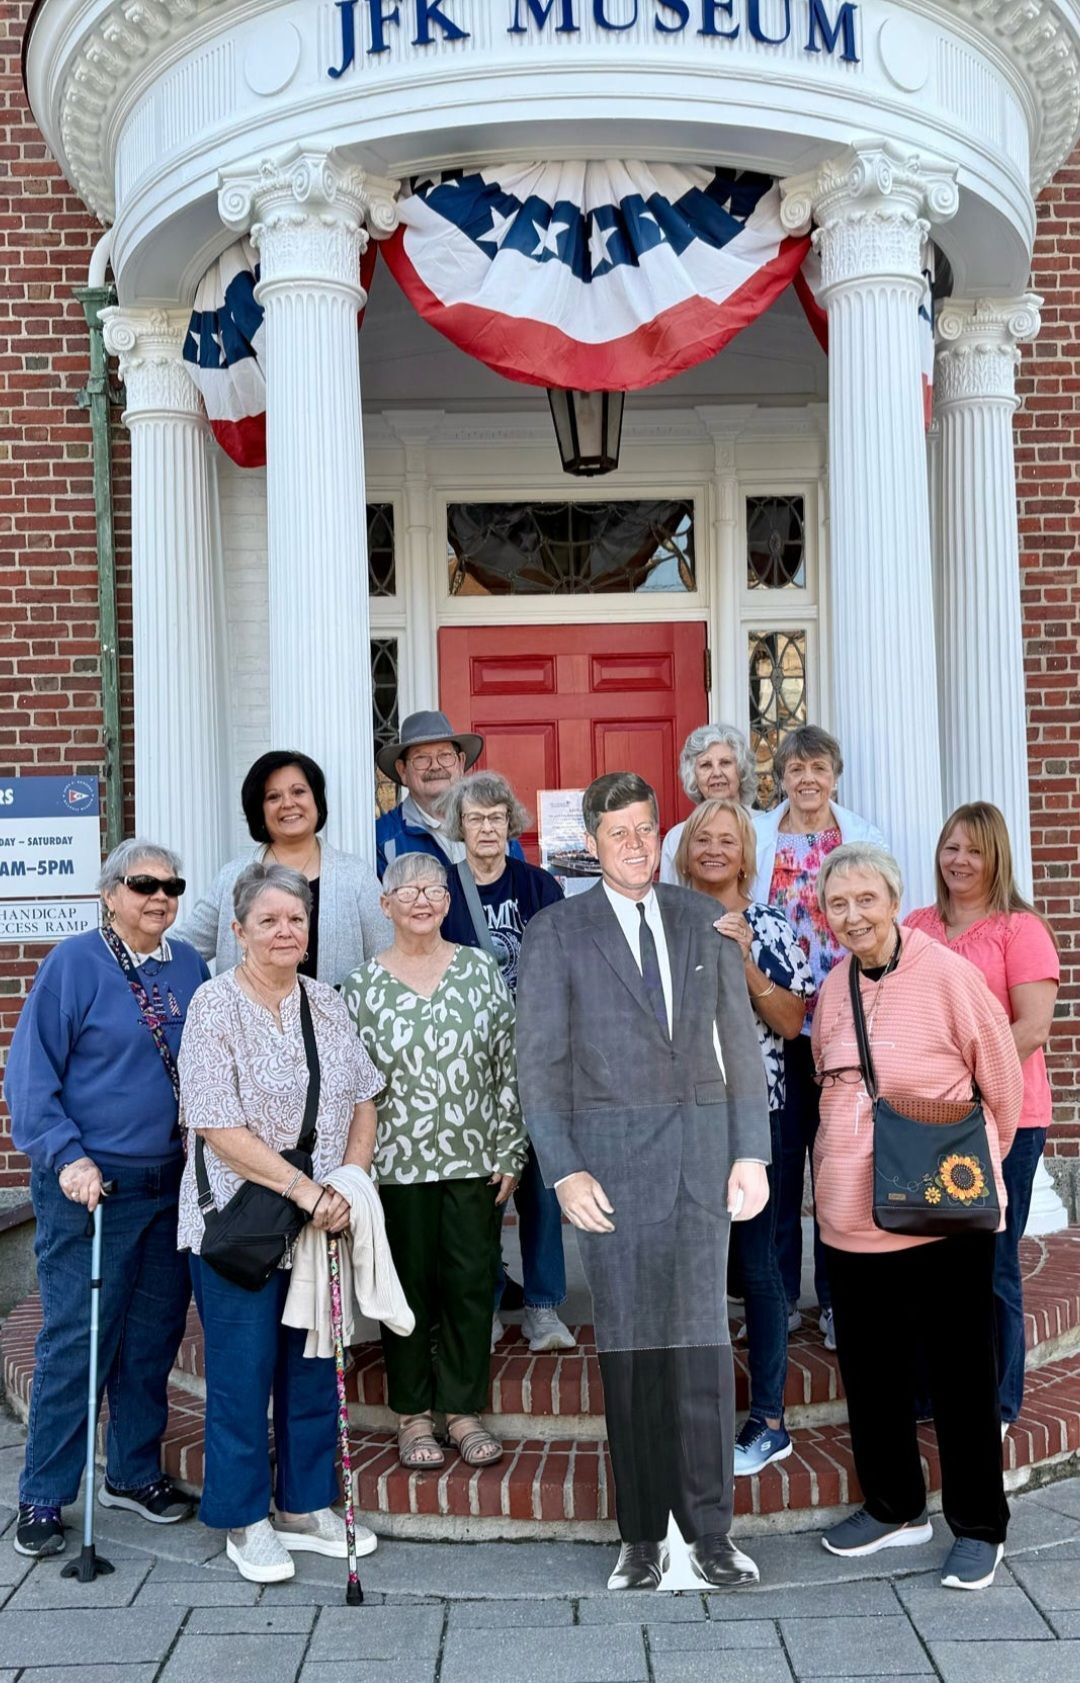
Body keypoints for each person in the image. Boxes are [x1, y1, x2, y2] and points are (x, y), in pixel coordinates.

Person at [517, 773, 770, 1592]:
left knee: (700, 1347)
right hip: (609, 1173)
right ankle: (640, 1535)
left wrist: (752, 1153)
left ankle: (710, 1532)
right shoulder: (556, 932)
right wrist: (562, 1169)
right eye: (615, 831)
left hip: (702, 1165)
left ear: (660, 833)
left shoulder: (705, 922)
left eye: (643, 827)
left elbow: (737, 1044)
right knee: (629, 1355)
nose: (632, 842)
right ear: (590, 843)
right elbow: (540, 1068)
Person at [812, 842, 1023, 1591]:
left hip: (942, 1218)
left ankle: (979, 1524)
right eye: (838, 903)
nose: (853, 915)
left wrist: (975, 1171)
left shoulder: (948, 974)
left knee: (963, 1374)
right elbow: (826, 1078)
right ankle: (895, 1505)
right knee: (872, 1373)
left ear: (895, 899)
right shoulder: (834, 985)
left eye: (866, 899)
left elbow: (1002, 1081)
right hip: (850, 1216)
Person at [177, 862, 384, 1585]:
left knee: (310, 1367)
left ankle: (301, 1504)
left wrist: (348, 1185)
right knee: (241, 1374)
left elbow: (363, 1097)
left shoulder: (325, 1001)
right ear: (237, 931)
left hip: (317, 1219)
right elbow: (215, 1123)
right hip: (239, 1222)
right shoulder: (212, 1006)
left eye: (295, 919)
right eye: (268, 920)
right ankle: (244, 1518)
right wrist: (305, 1188)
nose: (285, 930)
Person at [4, 839, 208, 1559]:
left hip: (169, 1182)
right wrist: (66, 1155)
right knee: (78, 1341)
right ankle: (43, 1494)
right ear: (110, 893)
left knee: (152, 1336)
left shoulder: (188, 965)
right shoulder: (73, 963)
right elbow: (31, 1078)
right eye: (143, 883)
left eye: (171, 884)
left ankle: (132, 1471)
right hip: (92, 1187)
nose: (160, 895)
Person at [343, 853, 526, 1472]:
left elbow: (508, 1065)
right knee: (408, 1292)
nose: (422, 900)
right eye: (408, 890)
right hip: (393, 1167)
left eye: (435, 890)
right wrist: (354, 1167)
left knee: (471, 1287)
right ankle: (413, 1414)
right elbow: (352, 1088)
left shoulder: (480, 970)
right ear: (384, 904)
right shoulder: (360, 985)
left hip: (473, 1159)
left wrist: (510, 1148)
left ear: (449, 902)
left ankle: (464, 1409)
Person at [905, 803, 1060, 1429]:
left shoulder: (1020, 930)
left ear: (995, 857)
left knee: (991, 1261)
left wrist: (966, 1082)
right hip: (927, 1120)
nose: (959, 861)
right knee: (924, 1257)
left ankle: (996, 1402)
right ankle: (925, 1395)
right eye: (950, 848)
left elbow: (1033, 1026)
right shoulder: (915, 925)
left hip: (1006, 1119)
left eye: (973, 850)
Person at [673, 800, 813, 1474]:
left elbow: (790, 1021)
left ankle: (769, 1420)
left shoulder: (771, 924)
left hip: (758, 1115)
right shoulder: (662, 923)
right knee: (691, 1270)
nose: (715, 848)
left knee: (759, 1270)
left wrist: (748, 959)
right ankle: (694, 1410)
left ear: (745, 854)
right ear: (686, 849)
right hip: (680, 1120)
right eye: (704, 838)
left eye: (728, 839)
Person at [751, 725, 887, 1351]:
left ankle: (835, 1300)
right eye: (796, 768)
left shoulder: (860, 837)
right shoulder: (760, 834)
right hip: (780, 1026)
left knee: (839, 1165)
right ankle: (778, 1300)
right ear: (779, 776)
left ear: (836, 774)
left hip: (846, 1023)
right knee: (779, 1169)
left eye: (819, 768)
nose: (807, 779)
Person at [438, 770, 572, 1355]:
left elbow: (564, 969)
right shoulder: (441, 889)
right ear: (459, 827)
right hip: (471, 1062)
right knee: (480, 1191)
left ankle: (542, 1310)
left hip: (536, 1056)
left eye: (497, 818)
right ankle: (485, 1302)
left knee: (542, 1187)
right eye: (476, 818)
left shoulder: (539, 886)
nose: (487, 828)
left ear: (510, 824)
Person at [178, 750, 390, 986]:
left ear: (317, 801)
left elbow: (387, 961)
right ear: (260, 810)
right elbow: (182, 949)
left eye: (298, 792)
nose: (288, 803)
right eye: (273, 797)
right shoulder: (232, 877)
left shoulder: (356, 877)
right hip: (247, 1022)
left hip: (335, 1020)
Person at [374, 709, 526, 878]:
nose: (435, 766)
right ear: (402, 770)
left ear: (460, 763)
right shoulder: (383, 840)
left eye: (445, 755)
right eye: (422, 758)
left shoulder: (496, 825)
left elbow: (522, 892)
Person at [659, 722, 758, 886]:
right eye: (706, 765)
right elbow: (670, 902)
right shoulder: (677, 837)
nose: (716, 773)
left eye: (725, 763)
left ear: (741, 769)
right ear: (693, 776)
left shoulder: (764, 828)